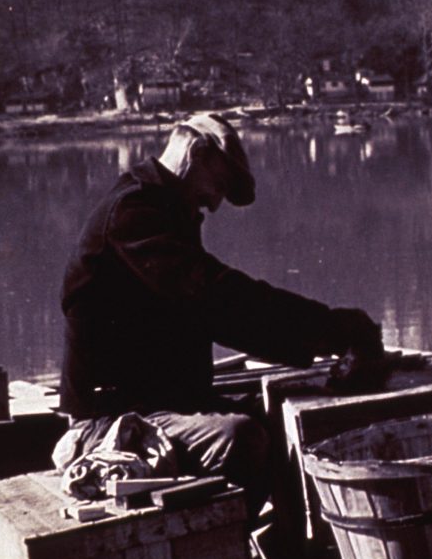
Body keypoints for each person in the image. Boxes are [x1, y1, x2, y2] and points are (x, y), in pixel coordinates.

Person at [57, 112, 383, 513]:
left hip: (161, 402)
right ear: (193, 152)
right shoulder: (133, 214)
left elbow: (220, 302)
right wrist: (334, 329)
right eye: (218, 185)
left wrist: (324, 334)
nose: (214, 203)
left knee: (274, 418)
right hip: (110, 422)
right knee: (241, 438)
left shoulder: (163, 210)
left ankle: (277, 553)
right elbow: (221, 302)